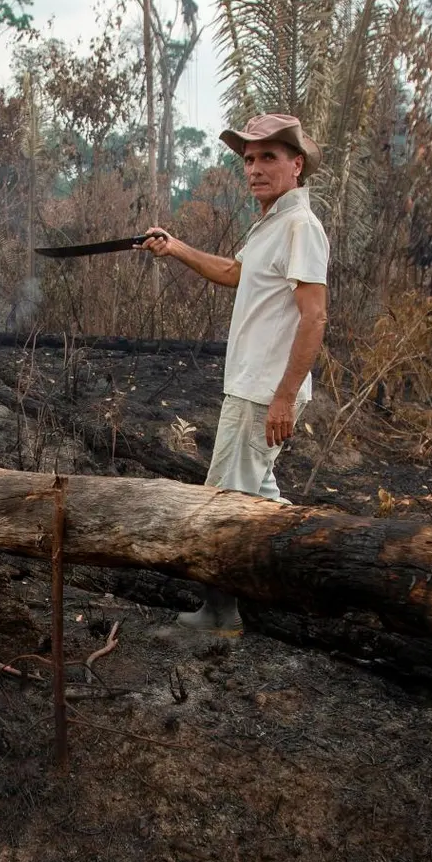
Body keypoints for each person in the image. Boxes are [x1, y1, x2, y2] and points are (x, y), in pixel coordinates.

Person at [141, 113, 329, 634]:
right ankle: (323, 566)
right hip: (250, 387)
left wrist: (285, 397)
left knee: (223, 500)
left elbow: (314, 316)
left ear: (297, 165)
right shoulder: (271, 224)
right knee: (258, 498)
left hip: (263, 391)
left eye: (268, 156)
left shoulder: (300, 226)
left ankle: (221, 615)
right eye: (249, 159)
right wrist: (174, 246)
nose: (255, 168)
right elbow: (234, 272)